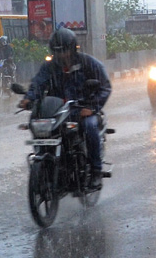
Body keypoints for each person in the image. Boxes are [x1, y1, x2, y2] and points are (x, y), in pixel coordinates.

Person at [21, 29, 112, 187]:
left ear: (73, 48)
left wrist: (92, 107)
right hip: (57, 112)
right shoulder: (49, 67)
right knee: (35, 122)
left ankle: (96, 171)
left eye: (64, 50)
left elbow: (105, 87)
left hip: (82, 110)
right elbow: (38, 83)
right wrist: (29, 98)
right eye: (57, 51)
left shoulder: (88, 63)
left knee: (90, 127)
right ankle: (45, 160)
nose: (62, 55)